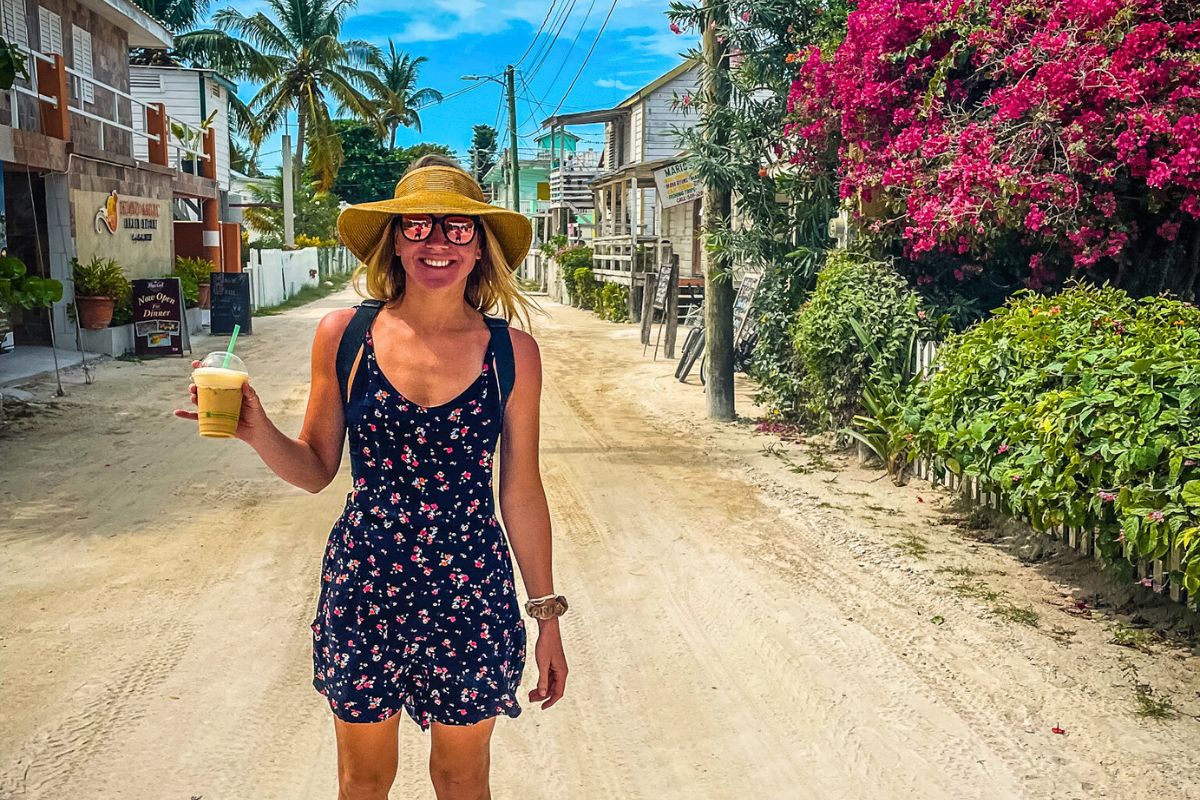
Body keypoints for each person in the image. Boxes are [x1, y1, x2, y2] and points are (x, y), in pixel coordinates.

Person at [175, 154, 568, 800]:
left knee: (462, 777)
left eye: (457, 228)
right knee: (363, 780)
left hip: (470, 591)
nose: (436, 242)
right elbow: (314, 467)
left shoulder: (511, 353)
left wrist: (547, 615)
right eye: (416, 225)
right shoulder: (344, 335)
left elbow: (520, 488)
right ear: (394, 239)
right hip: (365, 589)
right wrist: (255, 430)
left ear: (480, 248)